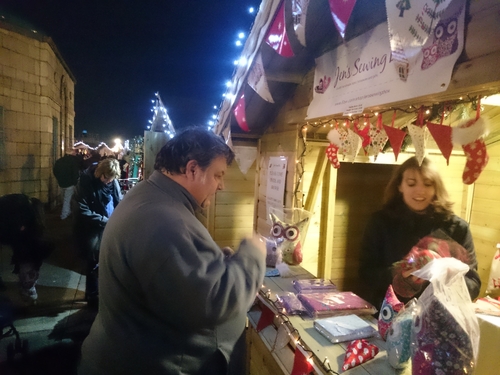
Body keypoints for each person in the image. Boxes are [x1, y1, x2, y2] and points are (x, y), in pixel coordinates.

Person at [78, 127, 266, 375]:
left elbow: (174, 271)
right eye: (218, 175)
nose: (221, 186)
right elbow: (211, 302)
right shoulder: (162, 219)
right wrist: (252, 255)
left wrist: (216, 262)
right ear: (192, 169)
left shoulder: (154, 198)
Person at [358, 156, 481, 308]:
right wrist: (397, 272)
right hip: (389, 315)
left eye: (428, 184)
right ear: (400, 186)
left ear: (436, 188)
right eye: (411, 183)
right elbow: (365, 275)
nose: (420, 190)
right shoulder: (380, 222)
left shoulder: (457, 228)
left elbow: (473, 285)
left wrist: (444, 276)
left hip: (440, 320)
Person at [72, 157, 122, 307]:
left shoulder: (113, 182)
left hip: (109, 224)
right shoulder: (85, 181)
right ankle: (92, 294)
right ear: (100, 173)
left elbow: (118, 201)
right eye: (105, 177)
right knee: (93, 261)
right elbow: (81, 209)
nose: (107, 181)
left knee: (111, 260)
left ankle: (107, 292)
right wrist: (103, 220)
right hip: (91, 227)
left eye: (111, 179)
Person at [0, 194, 53, 301]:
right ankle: (27, 287)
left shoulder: (27, 221)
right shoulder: (22, 220)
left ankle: (27, 287)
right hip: (9, 226)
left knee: (26, 259)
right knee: (26, 260)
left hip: (14, 228)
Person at [53, 148, 83, 220]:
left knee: (64, 198)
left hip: (61, 182)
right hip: (70, 183)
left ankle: (67, 211)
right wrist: (75, 182)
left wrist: (59, 179)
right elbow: (75, 173)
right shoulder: (73, 161)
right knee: (67, 199)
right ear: (72, 153)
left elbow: (55, 171)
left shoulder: (59, 161)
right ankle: (64, 215)